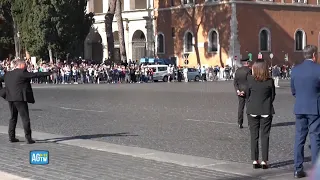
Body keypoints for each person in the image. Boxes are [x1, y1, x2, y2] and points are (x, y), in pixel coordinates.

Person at [1, 60, 51, 144]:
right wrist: (49, 73)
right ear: (20, 65)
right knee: (25, 118)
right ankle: (28, 138)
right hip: (20, 98)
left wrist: (2, 91)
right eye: (25, 65)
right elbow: (35, 74)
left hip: (10, 98)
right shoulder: (22, 72)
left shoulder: (8, 74)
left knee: (13, 117)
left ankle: (11, 137)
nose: (26, 67)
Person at [291, 45, 320, 178]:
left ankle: (297, 169)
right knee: (315, 139)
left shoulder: (295, 70)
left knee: (299, 139)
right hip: (314, 108)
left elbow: (293, 90)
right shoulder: (318, 69)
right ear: (314, 55)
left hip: (300, 108)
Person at [246, 59, 275, 169]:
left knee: (254, 136)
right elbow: (273, 96)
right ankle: (264, 161)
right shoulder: (270, 81)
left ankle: (255, 160)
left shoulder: (250, 79)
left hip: (253, 109)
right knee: (265, 136)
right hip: (266, 110)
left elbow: (247, 94)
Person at [234, 58, 252, 129]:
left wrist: (238, 91)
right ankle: (250, 124)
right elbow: (250, 82)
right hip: (247, 92)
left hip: (240, 91)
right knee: (249, 107)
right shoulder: (249, 70)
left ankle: (239, 123)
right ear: (247, 63)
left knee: (240, 107)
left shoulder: (238, 70)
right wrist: (244, 91)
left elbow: (235, 82)